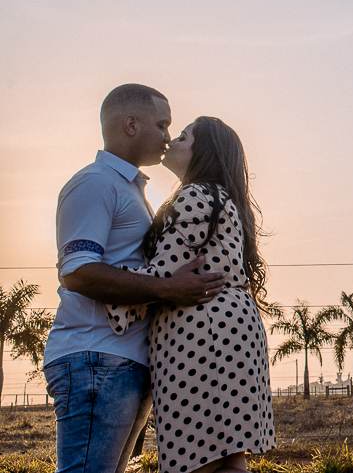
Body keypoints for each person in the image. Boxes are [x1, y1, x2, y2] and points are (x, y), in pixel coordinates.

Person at [44, 84, 227, 473]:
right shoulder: (95, 183)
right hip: (95, 356)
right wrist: (168, 288)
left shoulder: (128, 190)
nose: (166, 136)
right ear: (131, 124)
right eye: (162, 125)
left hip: (121, 359)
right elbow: (78, 272)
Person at [106, 116, 276, 473]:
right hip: (234, 332)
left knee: (195, 458)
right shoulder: (223, 198)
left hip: (200, 334)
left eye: (183, 136)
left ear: (203, 152)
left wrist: (105, 285)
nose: (173, 141)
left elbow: (166, 273)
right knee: (230, 457)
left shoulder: (196, 195)